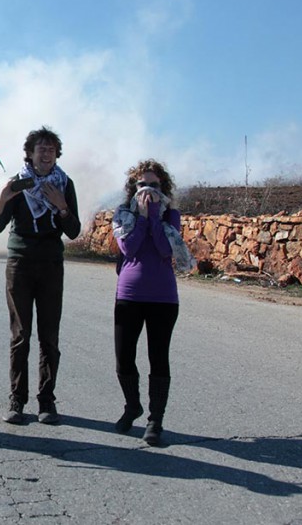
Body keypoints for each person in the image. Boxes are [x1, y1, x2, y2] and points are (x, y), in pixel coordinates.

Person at [0, 126, 81, 425]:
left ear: (57, 154)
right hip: (20, 263)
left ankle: (47, 401)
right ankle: (17, 400)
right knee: (20, 336)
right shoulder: (19, 183)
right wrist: (3, 198)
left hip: (51, 264)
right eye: (40, 148)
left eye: (51, 148)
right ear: (29, 153)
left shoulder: (64, 184)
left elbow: (74, 230)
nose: (46, 152)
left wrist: (62, 207)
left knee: (49, 337)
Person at [111, 159, 192, 445]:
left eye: (154, 185)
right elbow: (129, 247)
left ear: (164, 187)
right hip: (129, 296)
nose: (148, 190)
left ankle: (155, 420)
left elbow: (164, 248)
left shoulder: (171, 216)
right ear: (133, 187)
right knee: (124, 357)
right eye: (142, 184)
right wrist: (142, 217)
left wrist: (154, 217)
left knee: (158, 358)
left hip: (163, 298)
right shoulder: (122, 215)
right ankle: (131, 405)